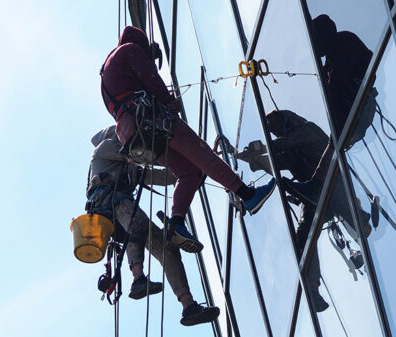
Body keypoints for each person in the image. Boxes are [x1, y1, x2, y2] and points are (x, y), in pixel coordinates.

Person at [100, 26, 276, 240]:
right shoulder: (130, 49)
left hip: (138, 142)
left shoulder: (107, 75)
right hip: (154, 121)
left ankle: (176, 224)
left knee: (189, 172)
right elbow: (151, 78)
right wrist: (168, 102)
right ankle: (247, 195)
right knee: (200, 153)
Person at [238, 110, 373, 312]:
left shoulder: (308, 129)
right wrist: (251, 160)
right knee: (304, 236)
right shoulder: (289, 147)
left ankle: (359, 220)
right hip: (313, 196)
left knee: (339, 199)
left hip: (331, 183)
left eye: (274, 127)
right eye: (272, 130)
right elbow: (278, 162)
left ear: (285, 120)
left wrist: (262, 149)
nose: (274, 132)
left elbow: (289, 143)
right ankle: (312, 289)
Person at [87, 126, 220, 326]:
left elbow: (162, 177)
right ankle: (138, 279)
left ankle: (189, 306)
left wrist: (196, 167)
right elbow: (142, 154)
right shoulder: (105, 148)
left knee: (167, 250)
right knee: (138, 226)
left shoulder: (130, 166)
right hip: (110, 203)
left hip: (122, 209)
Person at [284, 14, 376, 200]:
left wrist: (326, 75)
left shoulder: (343, 42)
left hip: (359, 108)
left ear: (323, 37)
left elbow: (336, 85)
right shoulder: (335, 52)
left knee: (334, 144)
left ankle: (318, 186)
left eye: (316, 41)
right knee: (333, 144)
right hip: (354, 110)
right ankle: (316, 185)